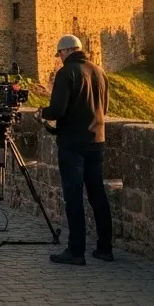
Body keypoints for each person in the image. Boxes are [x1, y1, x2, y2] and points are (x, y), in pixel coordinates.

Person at [40, 35, 114, 266]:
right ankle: (104, 248)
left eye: (59, 54)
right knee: (98, 195)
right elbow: (105, 107)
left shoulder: (67, 72)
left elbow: (58, 110)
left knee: (73, 197)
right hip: (96, 141)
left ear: (66, 52)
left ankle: (76, 250)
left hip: (73, 144)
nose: (59, 59)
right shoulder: (99, 71)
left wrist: (43, 112)